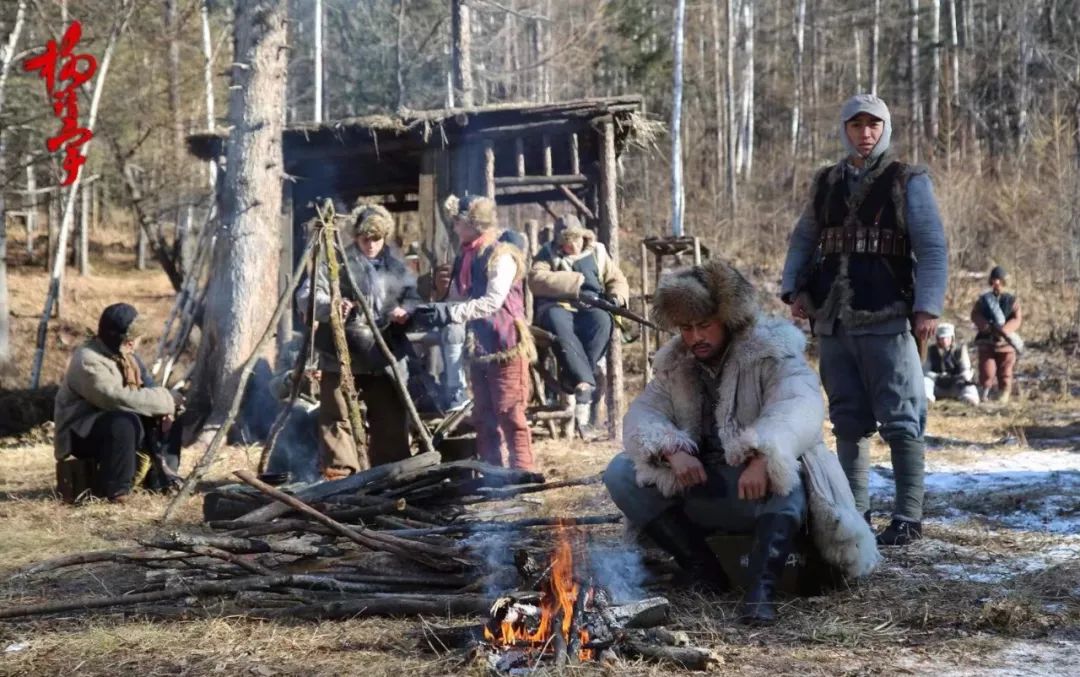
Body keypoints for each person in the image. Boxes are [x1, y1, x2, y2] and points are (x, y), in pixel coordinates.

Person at [603, 260, 879, 625]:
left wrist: (764, 454)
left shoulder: (771, 351)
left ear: (728, 320)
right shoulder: (677, 363)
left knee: (790, 473)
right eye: (686, 328)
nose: (695, 337)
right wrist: (671, 450)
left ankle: (761, 590)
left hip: (763, 493)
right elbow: (642, 415)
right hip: (704, 484)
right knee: (621, 472)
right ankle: (703, 569)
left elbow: (801, 405)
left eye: (704, 326)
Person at [780, 94, 948, 546]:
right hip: (833, 321)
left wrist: (927, 307)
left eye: (873, 125)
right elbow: (804, 238)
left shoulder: (907, 180)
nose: (865, 133)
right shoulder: (826, 182)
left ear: (885, 129)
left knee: (901, 419)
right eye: (856, 125)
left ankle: (908, 516)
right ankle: (856, 514)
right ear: (846, 129)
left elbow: (931, 248)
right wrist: (793, 288)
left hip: (888, 314)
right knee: (849, 419)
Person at [297, 204, 420, 479]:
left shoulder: (396, 266)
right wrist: (331, 305)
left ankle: (391, 475)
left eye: (376, 238)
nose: (371, 244)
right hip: (341, 351)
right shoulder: (335, 262)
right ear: (356, 236)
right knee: (337, 416)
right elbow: (306, 296)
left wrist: (406, 311)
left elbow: (414, 298)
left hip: (383, 351)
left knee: (389, 415)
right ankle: (341, 475)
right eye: (366, 238)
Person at [413, 195, 535, 470]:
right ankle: (493, 476)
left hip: (505, 342)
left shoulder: (501, 256)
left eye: (457, 222)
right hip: (479, 345)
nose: (454, 227)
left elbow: (492, 302)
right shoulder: (467, 256)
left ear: (473, 223)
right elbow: (458, 297)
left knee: (510, 413)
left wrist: (452, 312)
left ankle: (524, 475)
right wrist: (436, 307)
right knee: (484, 416)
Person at [53, 303, 181, 503]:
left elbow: (149, 388)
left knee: (167, 415)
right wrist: (167, 400)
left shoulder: (128, 357)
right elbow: (115, 399)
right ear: (118, 338)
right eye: (130, 338)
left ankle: (163, 481)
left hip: (118, 422)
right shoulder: (88, 359)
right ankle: (117, 490)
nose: (134, 343)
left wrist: (166, 409)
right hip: (81, 432)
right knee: (123, 422)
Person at [528, 213, 629, 435]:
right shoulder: (547, 253)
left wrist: (616, 297)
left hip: (592, 307)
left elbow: (616, 279)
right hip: (559, 306)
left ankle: (572, 377)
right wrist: (575, 282)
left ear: (583, 237)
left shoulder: (598, 252)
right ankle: (584, 382)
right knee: (559, 325)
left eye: (574, 240)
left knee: (603, 320)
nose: (570, 246)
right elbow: (536, 279)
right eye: (565, 242)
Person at [971, 266, 1023, 403]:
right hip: (986, 340)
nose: (997, 283)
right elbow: (975, 314)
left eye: (999, 280)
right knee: (986, 370)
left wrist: (1005, 330)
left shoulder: (1012, 300)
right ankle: (985, 391)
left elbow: (1017, 318)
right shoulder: (984, 300)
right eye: (994, 280)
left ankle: (1004, 393)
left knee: (1005, 371)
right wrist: (985, 326)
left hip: (1006, 342)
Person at [923, 323, 979, 405]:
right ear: (938, 338)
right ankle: (927, 399)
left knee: (968, 384)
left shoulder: (960, 350)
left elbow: (965, 369)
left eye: (947, 338)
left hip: (955, 384)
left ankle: (969, 399)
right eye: (942, 338)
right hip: (937, 384)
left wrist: (957, 377)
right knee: (926, 381)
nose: (944, 340)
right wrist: (938, 376)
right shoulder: (931, 350)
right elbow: (925, 370)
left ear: (952, 338)